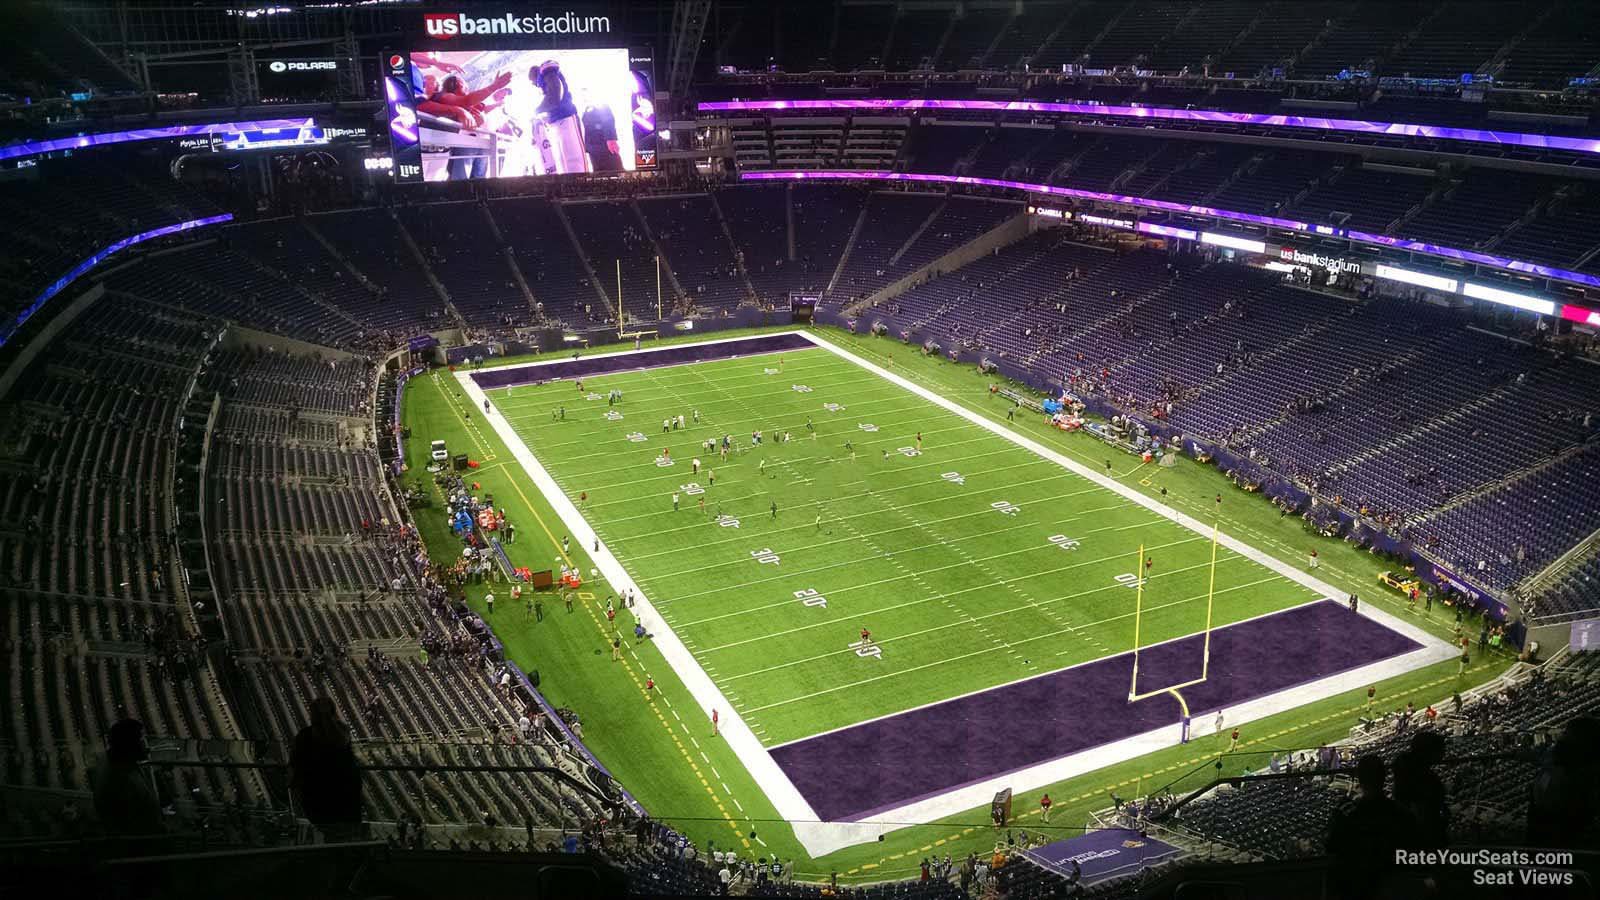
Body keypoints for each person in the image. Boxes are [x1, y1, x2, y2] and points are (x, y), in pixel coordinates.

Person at [1326, 755, 1415, 900]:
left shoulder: (1346, 813)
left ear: (1359, 780)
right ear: (1384, 777)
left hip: (1357, 885)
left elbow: (1331, 847)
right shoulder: (1402, 814)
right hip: (1393, 883)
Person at [290, 697, 363, 842]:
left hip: (317, 795)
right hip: (344, 796)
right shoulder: (342, 735)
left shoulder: (304, 736)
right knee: (344, 835)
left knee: (330, 833)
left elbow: (295, 765)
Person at [91, 719, 163, 836]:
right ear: (129, 744)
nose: (146, 744)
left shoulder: (121, 764)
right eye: (141, 739)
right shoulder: (118, 779)